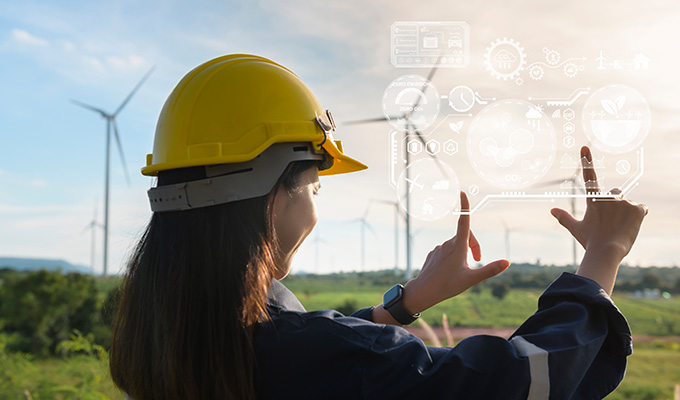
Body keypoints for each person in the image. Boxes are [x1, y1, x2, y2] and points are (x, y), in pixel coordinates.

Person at [109, 54, 648, 399]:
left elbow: (315, 357)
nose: (316, 208)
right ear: (272, 194)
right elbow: (521, 383)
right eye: (315, 187)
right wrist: (603, 254)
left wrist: (403, 304)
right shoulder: (304, 352)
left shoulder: (159, 329)